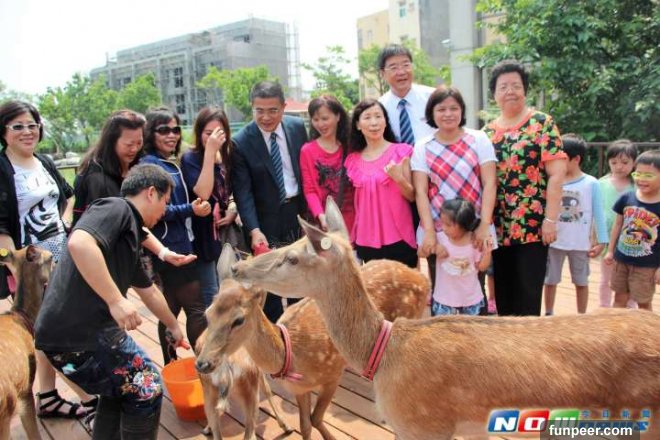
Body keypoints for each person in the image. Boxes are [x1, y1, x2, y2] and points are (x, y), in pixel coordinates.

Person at [35, 164, 189, 440]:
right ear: (151, 193)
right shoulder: (116, 208)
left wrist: (174, 327)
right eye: (165, 201)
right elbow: (79, 243)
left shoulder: (127, 237)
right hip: (80, 336)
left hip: (61, 342)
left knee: (119, 389)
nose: (165, 210)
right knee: (146, 385)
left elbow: (149, 292)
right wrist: (116, 300)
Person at [0, 100, 97, 422]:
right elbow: (1, 228)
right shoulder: (3, 169)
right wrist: (18, 268)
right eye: (18, 126)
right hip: (31, 269)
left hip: (60, 256)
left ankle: (48, 396)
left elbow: (67, 195)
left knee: (45, 333)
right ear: (4, 131)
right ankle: (89, 397)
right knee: (53, 332)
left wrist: (63, 223)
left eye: (32, 125)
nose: (27, 132)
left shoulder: (43, 161)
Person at [483, 59, 567, 316]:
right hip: (499, 226)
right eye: (503, 86)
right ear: (494, 94)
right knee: (504, 294)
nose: (510, 91)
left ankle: (530, 342)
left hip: (533, 225)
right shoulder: (486, 133)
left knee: (528, 294)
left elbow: (556, 175)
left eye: (516, 85)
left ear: (525, 90)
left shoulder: (541, 123)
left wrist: (550, 220)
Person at [411, 86, 497, 311]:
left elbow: (489, 183)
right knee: (441, 288)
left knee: (475, 285)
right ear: (432, 113)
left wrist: (484, 225)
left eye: (453, 108)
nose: (448, 114)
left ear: (462, 111)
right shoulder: (423, 146)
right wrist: (430, 232)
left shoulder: (478, 139)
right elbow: (420, 191)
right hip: (441, 231)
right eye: (441, 109)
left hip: (473, 228)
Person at [74, 110, 195, 269]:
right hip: (101, 259)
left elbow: (134, 220)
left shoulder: (132, 166)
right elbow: (119, 226)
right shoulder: (98, 179)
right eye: (129, 144)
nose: (135, 149)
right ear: (112, 141)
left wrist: (163, 252)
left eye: (139, 143)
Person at [231, 81, 308, 322]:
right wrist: (254, 230)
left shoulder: (297, 127)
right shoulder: (241, 141)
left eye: (273, 110)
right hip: (265, 222)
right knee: (271, 284)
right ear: (252, 108)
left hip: (297, 213)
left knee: (301, 277)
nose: (266, 117)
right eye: (259, 110)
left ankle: (301, 330)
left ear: (283, 107)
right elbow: (243, 193)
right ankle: (274, 336)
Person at [140, 107, 209, 364]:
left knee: (170, 309)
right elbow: (155, 210)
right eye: (164, 130)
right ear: (151, 133)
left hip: (178, 242)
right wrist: (190, 209)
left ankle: (171, 364)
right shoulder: (150, 165)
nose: (172, 135)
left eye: (176, 129)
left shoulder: (166, 162)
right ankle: (206, 364)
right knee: (196, 309)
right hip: (170, 246)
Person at [345, 99, 417, 268]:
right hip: (366, 240)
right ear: (358, 125)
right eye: (367, 117)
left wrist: (398, 178)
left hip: (399, 237)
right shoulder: (352, 160)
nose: (374, 122)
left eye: (378, 116)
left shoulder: (402, 151)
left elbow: (412, 196)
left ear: (385, 121)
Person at [543, 134, 608, 315]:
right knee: (550, 280)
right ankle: (548, 313)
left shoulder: (591, 183)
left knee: (581, 281)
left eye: (562, 159)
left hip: (580, 244)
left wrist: (602, 241)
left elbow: (599, 213)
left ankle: (582, 316)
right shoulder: (552, 180)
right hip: (554, 241)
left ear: (576, 159)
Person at [181, 106, 237, 306]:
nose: (213, 138)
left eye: (218, 133)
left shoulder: (228, 155)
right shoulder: (190, 158)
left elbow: (231, 191)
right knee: (211, 292)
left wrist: (232, 210)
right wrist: (210, 153)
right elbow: (203, 193)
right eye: (208, 133)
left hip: (224, 231)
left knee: (229, 285)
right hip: (202, 234)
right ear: (199, 133)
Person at [604, 149, 660, 311]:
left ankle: (647, 328)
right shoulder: (627, 198)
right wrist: (610, 251)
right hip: (621, 260)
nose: (641, 179)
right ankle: (616, 327)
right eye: (638, 174)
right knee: (619, 299)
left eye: (648, 175)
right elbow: (618, 225)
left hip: (647, 265)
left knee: (643, 303)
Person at [300, 95, 354, 232]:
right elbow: (309, 189)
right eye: (315, 119)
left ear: (338, 116)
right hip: (325, 223)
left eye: (325, 118)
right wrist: (320, 215)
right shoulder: (307, 151)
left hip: (353, 220)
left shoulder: (350, 148)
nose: (320, 124)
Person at [432, 198, 492, 316]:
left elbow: (482, 267)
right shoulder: (439, 239)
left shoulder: (474, 242)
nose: (443, 228)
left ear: (464, 225)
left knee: (470, 328)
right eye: (442, 223)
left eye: (448, 225)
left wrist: (487, 252)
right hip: (444, 301)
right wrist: (434, 248)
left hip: (470, 301)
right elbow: (421, 253)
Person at [598, 139, 638, 307]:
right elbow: (596, 212)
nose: (619, 166)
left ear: (634, 162)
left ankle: (630, 309)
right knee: (606, 278)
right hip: (607, 238)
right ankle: (604, 308)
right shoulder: (601, 183)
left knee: (631, 278)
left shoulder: (638, 185)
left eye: (624, 162)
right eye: (614, 162)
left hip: (632, 238)